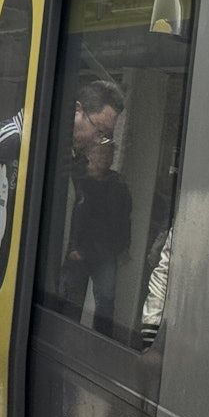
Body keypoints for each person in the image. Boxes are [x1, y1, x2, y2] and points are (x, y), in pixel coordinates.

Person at [59, 143, 131, 336]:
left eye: (109, 154)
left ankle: (101, 342)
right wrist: (73, 246)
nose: (105, 158)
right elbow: (70, 216)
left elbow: (125, 218)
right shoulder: (78, 180)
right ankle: (66, 337)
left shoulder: (118, 184)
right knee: (72, 299)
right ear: (90, 154)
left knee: (105, 303)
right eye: (100, 153)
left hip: (105, 252)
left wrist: (124, 246)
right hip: (78, 253)